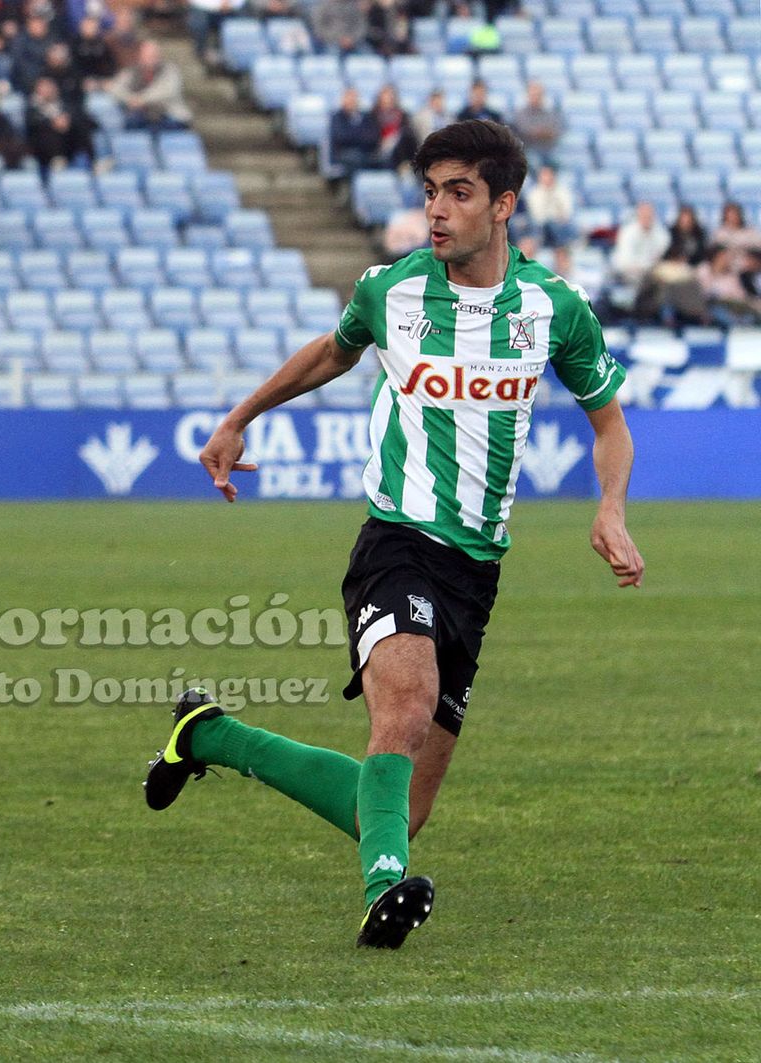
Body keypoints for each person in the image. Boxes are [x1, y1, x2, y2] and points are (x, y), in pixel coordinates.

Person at [148, 119, 642, 950]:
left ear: (504, 204)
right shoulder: (393, 290)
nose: (437, 212)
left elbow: (611, 424)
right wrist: (239, 417)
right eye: (428, 194)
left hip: (477, 572)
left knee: (399, 806)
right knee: (403, 712)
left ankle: (209, 733)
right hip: (396, 542)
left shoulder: (555, 310)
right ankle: (385, 892)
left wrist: (611, 505)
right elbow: (332, 354)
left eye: (458, 193)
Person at [112, 40, 193, 130]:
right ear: (140, 56)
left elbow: (168, 91)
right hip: (141, 115)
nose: (152, 58)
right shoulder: (130, 71)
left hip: (169, 114)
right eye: (148, 56)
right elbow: (115, 88)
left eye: (155, 55)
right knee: (130, 124)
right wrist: (130, 99)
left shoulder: (170, 70)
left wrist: (141, 100)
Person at [329, 86, 381, 178]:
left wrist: (354, 134)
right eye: (349, 99)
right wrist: (361, 134)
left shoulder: (367, 117)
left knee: (382, 160)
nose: (351, 102)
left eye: (354, 99)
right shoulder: (337, 117)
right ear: (343, 101)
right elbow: (341, 137)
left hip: (366, 153)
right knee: (356, 159)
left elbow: (374, 137)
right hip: (343, 154)